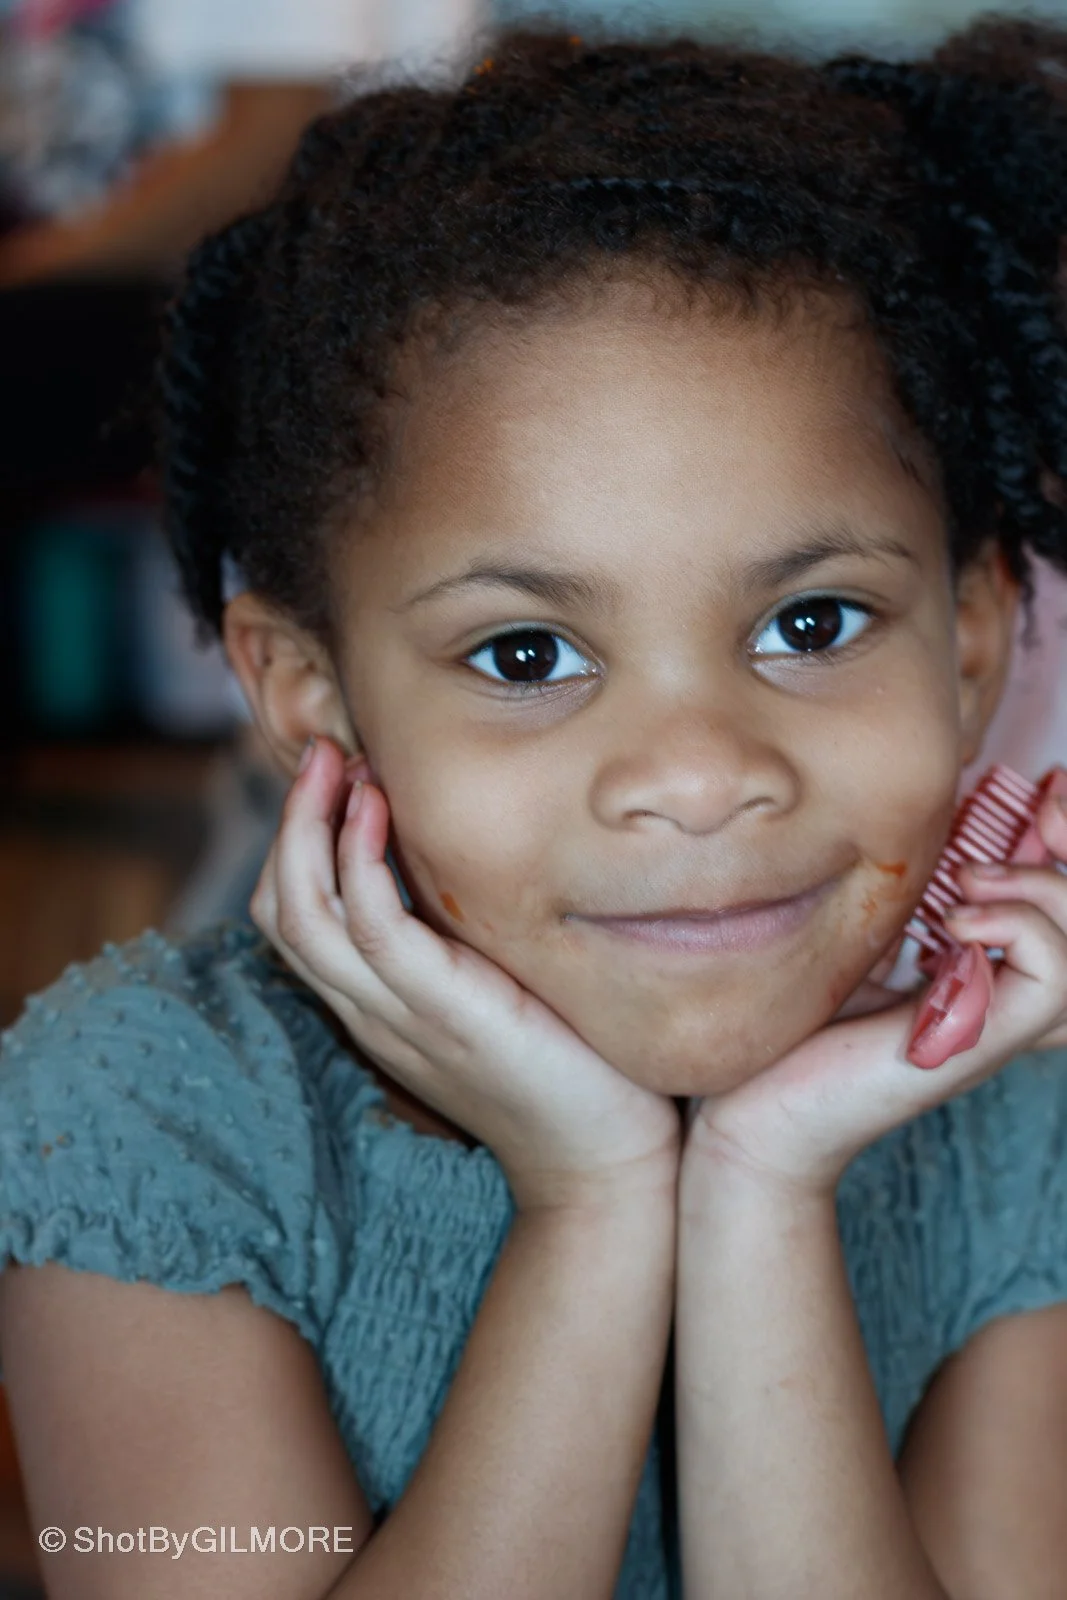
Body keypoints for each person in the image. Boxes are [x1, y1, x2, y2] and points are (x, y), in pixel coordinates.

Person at [2, 15, 1067, 1598]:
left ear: (974, 641)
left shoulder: (1015, 1113)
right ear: (310, 696)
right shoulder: (143, 1118)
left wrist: (766, 1190)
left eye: (813, 623)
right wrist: (591, 1200)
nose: (701, 774)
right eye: (525, 651)